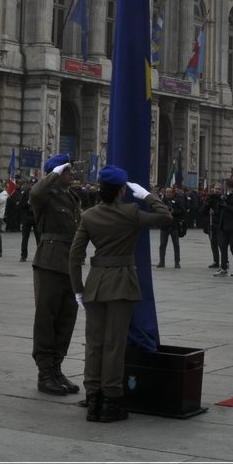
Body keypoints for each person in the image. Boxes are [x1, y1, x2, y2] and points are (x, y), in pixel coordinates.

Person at [69, 166, 173, 423]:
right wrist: (147, 196)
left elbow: (74, 255)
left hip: (94, 285)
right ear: (122, 190)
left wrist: (78, 289)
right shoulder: (130, 212)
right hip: (121, 284)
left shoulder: (89, 216)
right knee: (115, 344)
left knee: (94, 344)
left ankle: (92, 397)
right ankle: (111, 401)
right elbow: (165, 217)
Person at [28, 154, 82, 396]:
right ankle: (45, 373)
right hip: (49, 262)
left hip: (69, 263)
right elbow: (35, 193)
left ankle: (57, 368)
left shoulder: (72, 196)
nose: (72, 174)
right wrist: (54, 173)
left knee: (66, 318)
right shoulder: (45, 196)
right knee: (46, 319)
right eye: (67, 170)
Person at [213, 182, 233, 277]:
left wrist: (226, 205)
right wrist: (221, 202)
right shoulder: (225, 196)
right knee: (223, 247)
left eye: (223, 186)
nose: (222, 188)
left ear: (228, 186)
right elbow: (220, 210)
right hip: (225, 226)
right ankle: (223, 268)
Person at [157, 186, 184, 268]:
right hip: (164, 226)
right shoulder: (161, 201)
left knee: (176, 245)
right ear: (165, 193)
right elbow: (157, 211)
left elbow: (182, 211)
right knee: (162, 245)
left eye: (170, 192)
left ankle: (177, 262)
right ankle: (161, 261)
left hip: (174, 225)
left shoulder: (177, 201)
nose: (168, 193)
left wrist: (174, 211)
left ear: (172, 193)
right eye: (167, 192)